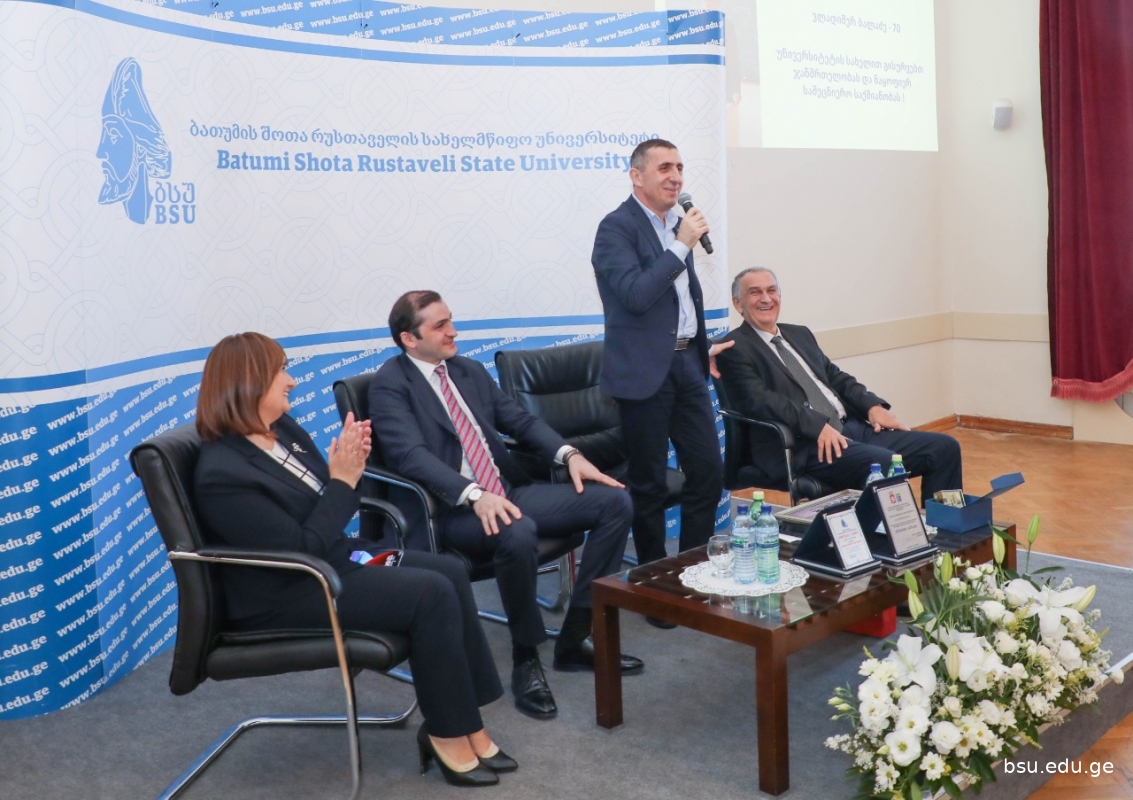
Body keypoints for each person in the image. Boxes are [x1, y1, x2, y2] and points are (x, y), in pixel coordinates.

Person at [193, 332, 511, 788]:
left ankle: (468, 720)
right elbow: (302, 548)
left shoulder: (282, 431)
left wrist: (350, 467)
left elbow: (325, 503)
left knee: (449, 570)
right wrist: (343, 480)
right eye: (281, 371)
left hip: (333, 561)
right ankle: (445, 732)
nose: (292, 380)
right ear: (249, 382)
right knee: (431, 592)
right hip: (293, 592)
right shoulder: (223, 473)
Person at [368, 291, 641, 722]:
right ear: (409, 338)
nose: (453, 331)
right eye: (440, 326)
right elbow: (410, 456)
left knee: (615, 502)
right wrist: (474, 495)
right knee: (517, 531)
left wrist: (569, 455)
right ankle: (526, 656)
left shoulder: (468, 371)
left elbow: (521, 421)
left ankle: (575, 637)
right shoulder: (390, 384)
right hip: (449, 511)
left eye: (450, 320)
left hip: (507, 490)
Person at [590, 138, 731, 584]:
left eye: (680, 168)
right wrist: (680, 246)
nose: (676, 177)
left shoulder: (677, 224)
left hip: (687, 364)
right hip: (643, 372)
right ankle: (655, 581)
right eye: (665, 167)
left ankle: (691, 569)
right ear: (637, 176)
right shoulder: (616, 228)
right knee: (648, 483)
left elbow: (681, 301)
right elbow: (636, 295)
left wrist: (700, 346)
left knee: (707, 473)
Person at [715, 267, 963, 503]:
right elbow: (763, 402)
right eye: (755, 292)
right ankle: (889, 533)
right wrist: (817, 426)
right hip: (803, 445)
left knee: (943, 448)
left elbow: (835, 377)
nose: (766, 298)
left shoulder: (799, 334)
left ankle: (943, 529)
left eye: (771, 290)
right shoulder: (734, 347)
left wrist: (872, 407)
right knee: (884, 464)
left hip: (849, 429)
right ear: (738, 304)